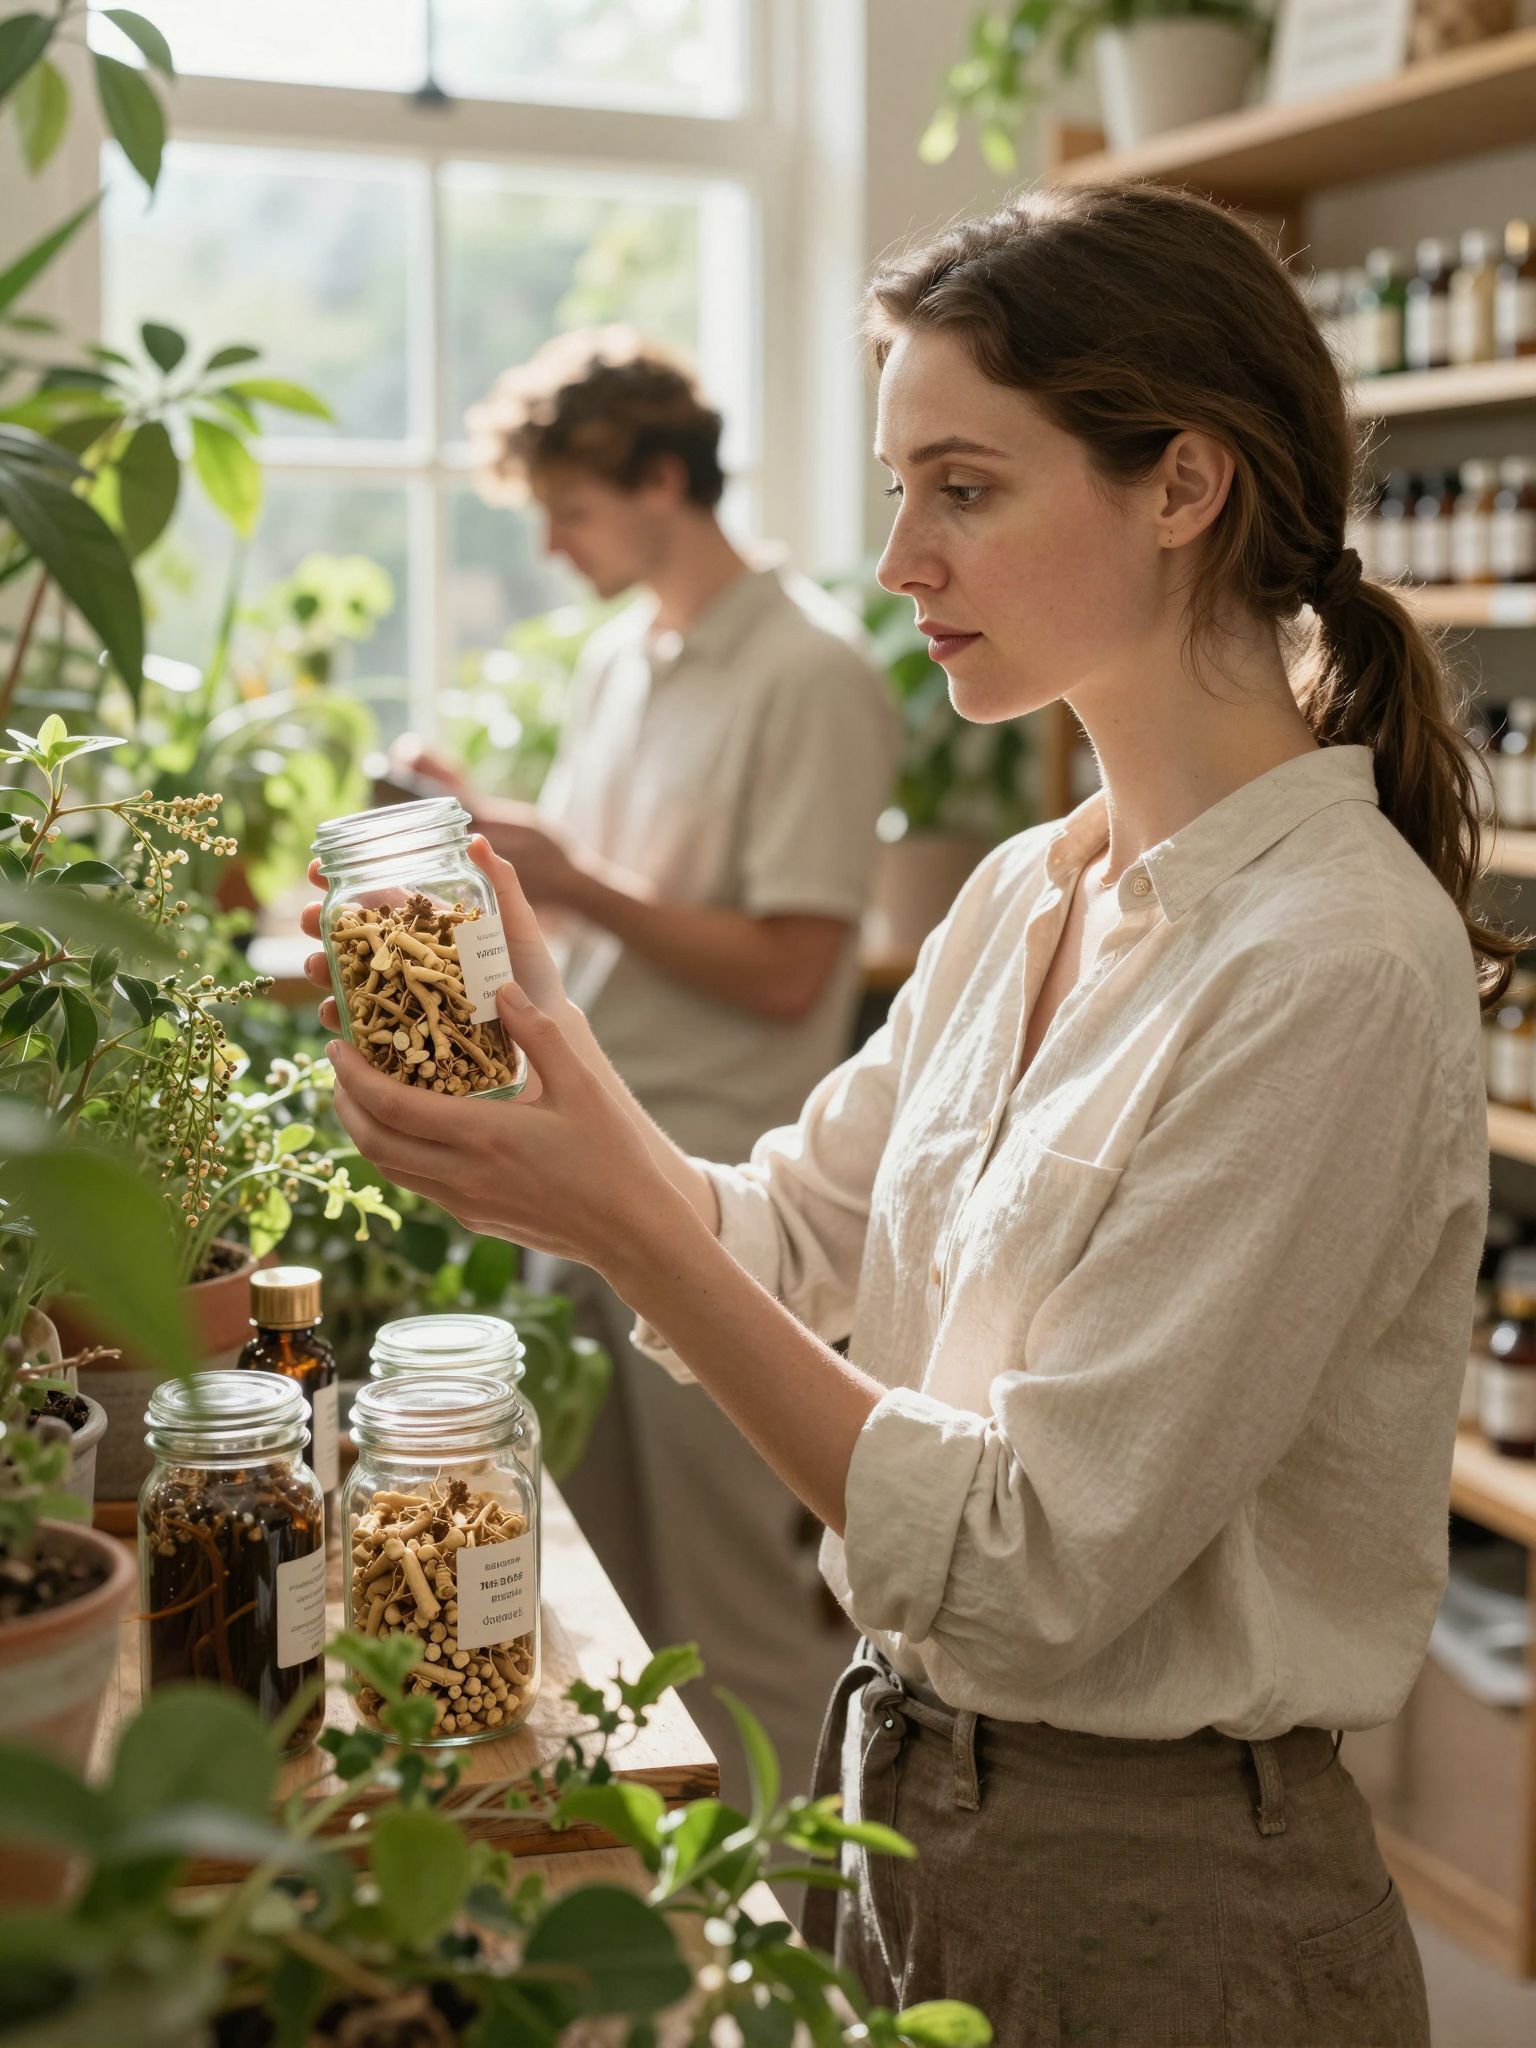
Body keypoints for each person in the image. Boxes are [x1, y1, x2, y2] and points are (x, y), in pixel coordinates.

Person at [305, 182, 1505, 2042]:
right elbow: (789, 1240)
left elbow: (1034, 1571)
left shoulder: (1332, 964)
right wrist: (552, 1067)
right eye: (897, 490)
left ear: (1182, 483)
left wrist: (617, 1218)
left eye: (964, 487)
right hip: (913, 1822)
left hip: (1166, 1906)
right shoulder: (1027, 888)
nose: (898, 561)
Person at [390, 329, 902, 1810]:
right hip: (588, 1165)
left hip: (719, 1194)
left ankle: (814, 1963)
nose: (552, 545)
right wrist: (487, 835)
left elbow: (793, 968)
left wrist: (580, 877)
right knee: (598, 1597)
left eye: (574, 508)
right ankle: (671, 1953)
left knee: (738, 1606)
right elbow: (596, 897)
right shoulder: (624, 658)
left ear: (664, 479)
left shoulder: (810, 676)